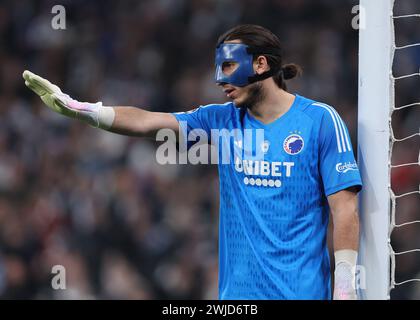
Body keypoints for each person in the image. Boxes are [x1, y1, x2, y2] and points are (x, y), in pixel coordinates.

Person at [23, 24, 362, 300]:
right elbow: (146, 122)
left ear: (261, 64)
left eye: (228, 66)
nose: (219, 79)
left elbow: (344, 209)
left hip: (301, 295)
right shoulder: (220, 120)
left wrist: (344, 290)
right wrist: (83, 110)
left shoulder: (319, 121)